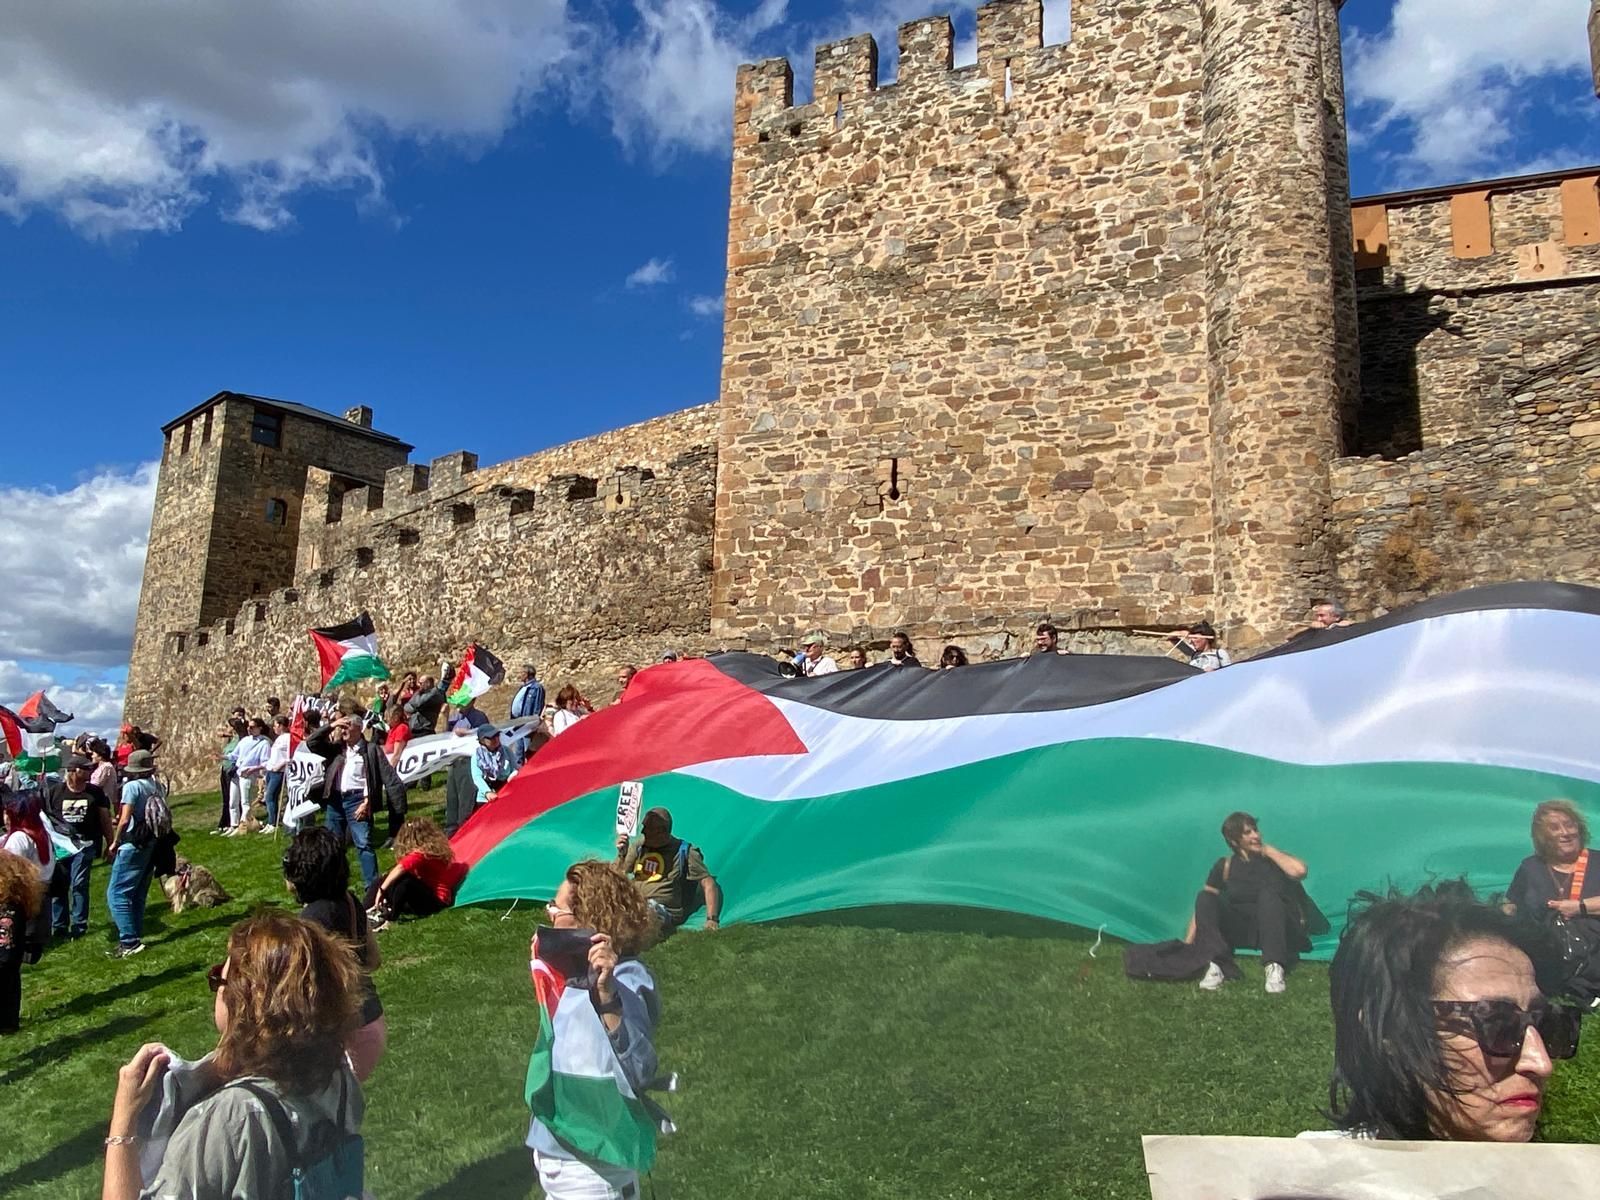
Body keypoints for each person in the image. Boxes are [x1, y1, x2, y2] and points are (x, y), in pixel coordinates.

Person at [100, 912, 365, 1199]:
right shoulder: (338, 1075)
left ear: (245, 1002)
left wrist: (123, 1121)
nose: (216, 991)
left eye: (218, 980)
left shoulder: (229, 1116)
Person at [1314, 881, 1577, 1141]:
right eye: (1497, 1023)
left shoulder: (1573, 1180)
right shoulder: (1307, 1178)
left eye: (1547, 1024)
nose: (1542, 1063)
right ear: (1389, 1029)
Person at [527, 860, 663, 1198]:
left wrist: (607, 997)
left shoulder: (624, 980)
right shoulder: (572, 973)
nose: (550, 916)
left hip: (591, 1164)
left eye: (555, 908)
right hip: (565, 1150)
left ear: (587, 919)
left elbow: (640, 1069)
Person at [282, 828, 386, 1081]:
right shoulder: (350, 901)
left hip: (343, 1036)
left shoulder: (308, 925)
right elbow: (373, 960)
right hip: (371, 1019)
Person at [1191, 812, 1319, 994]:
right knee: (1205, 896)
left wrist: (1268, 851)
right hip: (1245, 931)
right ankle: (1217, 963)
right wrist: (1188, 942)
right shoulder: (1225, 865)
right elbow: (1204, 907)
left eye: (1255, 830)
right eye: (1247, 833)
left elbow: (1299, 871)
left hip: (1280, 929)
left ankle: (1274, 966)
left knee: (1268, 894)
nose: (1255, 835)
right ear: (1234, 841)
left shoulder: (1275, 860)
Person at [1506, 799, 1600, 1008]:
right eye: (1554, 827)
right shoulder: (1531, 868)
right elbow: (1512, 906)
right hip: (1547, 962)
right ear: (1542, 835)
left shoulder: (1598, 862)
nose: (1564, 832)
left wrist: (1580, 907)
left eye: (1569, 824)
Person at [305, 711, 405, 892]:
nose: (343, 731)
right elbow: (312, 742)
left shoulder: (371, 750)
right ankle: (334, 885)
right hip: (335, 801)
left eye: (347, 726)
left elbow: (380, 777)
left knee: (363, 843)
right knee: (332, 845)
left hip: (358, 801)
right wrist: (332, 726)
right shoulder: (337, 749)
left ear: (359, 729)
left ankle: (373, 888)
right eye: (342, 727)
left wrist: (368, 802)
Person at [617, 807, 722, 932]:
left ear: (662, 831)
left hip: (662, 909)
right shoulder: (639, 846)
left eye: (648, 828)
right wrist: (621, 854)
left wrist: (712, 919)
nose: (643, 831)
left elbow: (708, 882)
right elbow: (617, 874)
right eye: (643, 826)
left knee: (646, 910)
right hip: (635, 902)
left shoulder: (685, 851)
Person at [45, 755, 114, 939]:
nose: (91, 771)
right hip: (61, 847)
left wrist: (111, 843)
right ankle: (59, 926)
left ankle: (79, 926)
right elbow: (45, 820)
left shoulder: (95, 793)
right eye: (86, 768)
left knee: (79, 884)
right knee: (59, 886)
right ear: (74, 771)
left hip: (86, 845)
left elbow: (105, 818)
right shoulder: (54, 792)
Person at [105, 750, 165, 959]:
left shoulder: (132, 787)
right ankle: (135, 934)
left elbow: (124, 818)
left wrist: (115, 841)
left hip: (133, 842)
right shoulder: (157, 786)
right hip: (151, 842)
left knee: (117, 894)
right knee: (138, 892)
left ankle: (129, 941)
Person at [364, 817, 468, 930]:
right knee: (386, 879)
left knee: (404, 882)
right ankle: (365, 911)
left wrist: (382, 890)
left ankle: (390, 918)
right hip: (424, 896)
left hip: (436, 902)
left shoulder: (421, 854)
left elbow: (400, 868)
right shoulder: (431, 850)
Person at [2, 791, 53, 961]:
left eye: (6, 812)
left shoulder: (18, 839)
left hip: (19, 904)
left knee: (10, 960)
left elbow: (8, 875)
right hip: (39, 900)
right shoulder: (41, 834)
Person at [0, 844, 45, 1034]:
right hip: (10, 967)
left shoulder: (8, 910)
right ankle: (8, 1024)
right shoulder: (14, 905)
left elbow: (5, 949)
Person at [230, 717, 272, 835]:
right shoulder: (245, 741)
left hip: (250, 775)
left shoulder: (264, 743)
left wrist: (253, 769)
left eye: (252, 727)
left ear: (260, 728)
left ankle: (244, 826)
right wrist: (221, 757)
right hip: (239, 772)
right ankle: (235, 825)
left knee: (246, 802)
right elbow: (234, 755)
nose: (249, 729)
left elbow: (265, 761)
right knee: (234, 801)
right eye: (249, 726)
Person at [262, 714, 293, 831]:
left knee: (270, 796)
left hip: (279, 771)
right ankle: (271, 821)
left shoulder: (288, 738)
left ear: (281, 725)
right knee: (269, 797)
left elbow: (290, 756)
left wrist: (281, 765)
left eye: (275, 726)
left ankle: (273, 823)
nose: (273, 728)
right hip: (271, 770)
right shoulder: (278, 739)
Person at [471, 723, 514, 807]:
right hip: (486, 799)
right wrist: (488, 792)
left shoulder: (507, 751)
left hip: (507, 792)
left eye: (497, 735)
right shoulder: (476, 757)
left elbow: (515, 768)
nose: (496, 739)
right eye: (491, 737)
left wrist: (513, 777)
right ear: (482, 740)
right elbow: (477, 777)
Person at [88, 738, 121, 810]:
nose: (92, 756)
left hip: (104, 804)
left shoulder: (106, 767)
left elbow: (95, 784)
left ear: (100, 755)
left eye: (93, 754)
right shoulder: (105, 766)